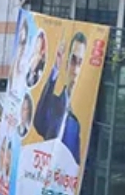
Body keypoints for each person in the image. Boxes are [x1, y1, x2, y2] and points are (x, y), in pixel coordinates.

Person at [34, 32, 88, 161]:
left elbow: (75, 162)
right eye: (73, 61)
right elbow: (39, 122)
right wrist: (56, 69)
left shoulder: (75, 124)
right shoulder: (53, 103)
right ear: (67, 63)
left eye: (80, 63)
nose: (75, 71)